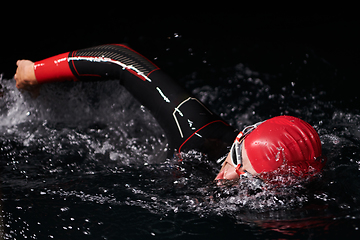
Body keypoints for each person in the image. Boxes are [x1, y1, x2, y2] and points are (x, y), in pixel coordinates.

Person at [14, 44, 325, 186]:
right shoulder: (197, 132)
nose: (228, 176)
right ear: (240, 137)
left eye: (250, 186)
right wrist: (34, 72)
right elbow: (120, 59)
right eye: (236, 159)